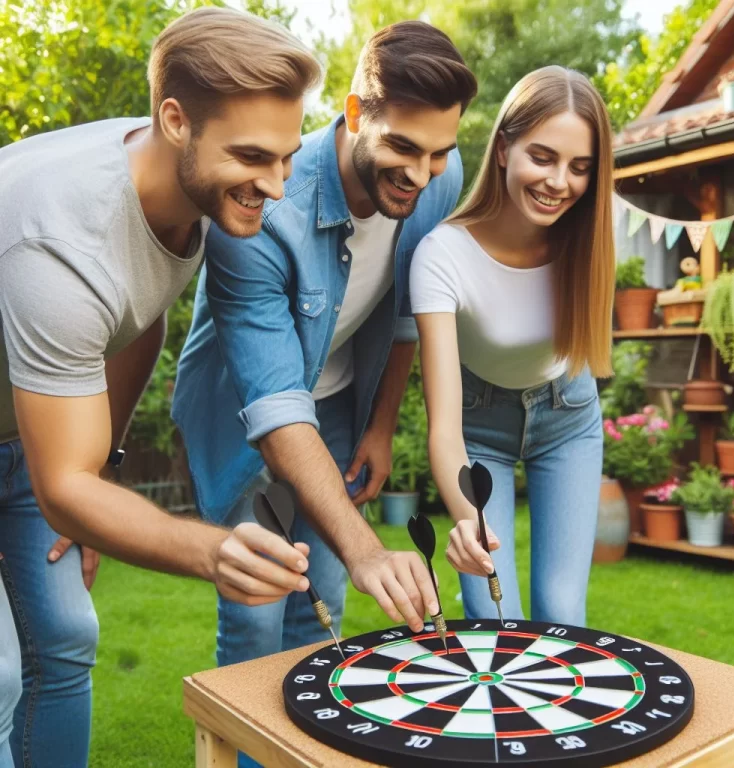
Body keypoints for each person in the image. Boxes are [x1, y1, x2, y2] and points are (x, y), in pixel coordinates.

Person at [0, 8, 322, 767]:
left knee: (68, 637)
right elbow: (62, 488)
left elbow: (138, 314)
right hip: (29, 426)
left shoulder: (189, 187)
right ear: (175, 119)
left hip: (22, 423)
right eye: (253, 157)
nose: (276, 186)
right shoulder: (62, 238)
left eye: (287, 157)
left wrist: (100, 472)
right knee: (0, 673)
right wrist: (215, 552)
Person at [172, 19, 476, 751]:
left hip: (338, 404)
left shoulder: (443, 175)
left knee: (324, 601)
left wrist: (378, 425)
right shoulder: (260, 214)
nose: (420, 171)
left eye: (437, 151)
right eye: (402, 146)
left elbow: (406, 313)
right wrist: (369, 547)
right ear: (353, 114)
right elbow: (275, 404)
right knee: (258, 604)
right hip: (244, 410)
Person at [410, 66, 614, 628]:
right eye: (542, 157)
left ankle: (570, 719)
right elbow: (444, 427)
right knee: (493, 616)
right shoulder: (441, 256)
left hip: (568, 416)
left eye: (580, 167)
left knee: (562, 614)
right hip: (478, 429)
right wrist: (465, 519)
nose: (559, 182)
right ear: (503, 149)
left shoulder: (587, 237)